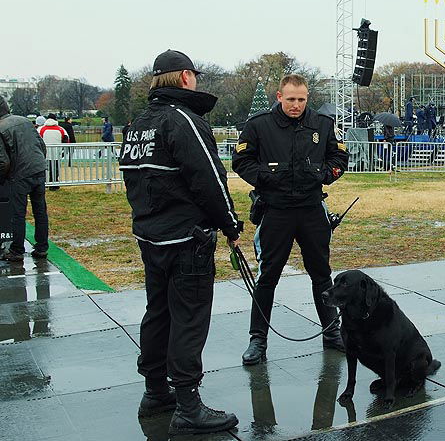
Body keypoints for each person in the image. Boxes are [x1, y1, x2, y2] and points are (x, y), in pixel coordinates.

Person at [119, 49, 240, 435]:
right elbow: (209, 179)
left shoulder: (139, 123)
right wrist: (231, 224)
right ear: (185, 77)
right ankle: (188, 404)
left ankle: (156, 390)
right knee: (188, 319)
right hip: (186, 238)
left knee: (158, 313)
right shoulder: (183, 120)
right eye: (195, 76)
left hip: (151, 236)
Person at [233, 73, 348, 366]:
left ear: (307, 98)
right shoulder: (259, 125)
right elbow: (241, 161)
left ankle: (332, 332)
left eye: (301, 99)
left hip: (311, 209)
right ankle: (257, 340)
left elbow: (340, 158)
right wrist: (267, 178)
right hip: (276, 209)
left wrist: (325, 175)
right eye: (291, 99)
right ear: (279, 96)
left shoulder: (322, 125)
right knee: (268, 276)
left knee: (321, 274)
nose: (296, 105)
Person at [0, 96, 49, 263]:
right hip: (38, 168)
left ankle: (17, 250)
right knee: (40, 211)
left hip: (19, 174)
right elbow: (41, 146)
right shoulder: (25, 121)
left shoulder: (0, 128)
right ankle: (42, 247)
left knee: (18, 214)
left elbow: (3, 162)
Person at [39, 114, 68, 190]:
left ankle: (43, 184)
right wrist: (62, 151)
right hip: (56, 153)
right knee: (55, 169)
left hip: (44, 154)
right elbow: (66, 140)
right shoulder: (61, 129)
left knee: (43, 169)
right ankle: (54, 184)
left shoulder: (41, 129)